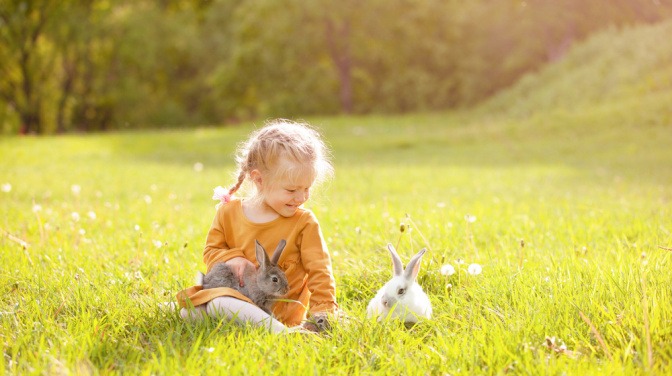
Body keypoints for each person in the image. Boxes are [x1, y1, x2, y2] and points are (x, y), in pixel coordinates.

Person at [176, 119, 338, 333]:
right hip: (235, 295)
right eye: (291, 190)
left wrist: (322, 313)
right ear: (259, 180)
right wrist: (232, 257)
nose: (301, 197)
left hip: (277, 311)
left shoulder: (304, 223)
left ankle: (282, 333)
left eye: (306, 188)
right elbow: (211, 252)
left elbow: (320, 272)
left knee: (218, 304)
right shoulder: (228, 212)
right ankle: (230, 317)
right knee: (188, 312)